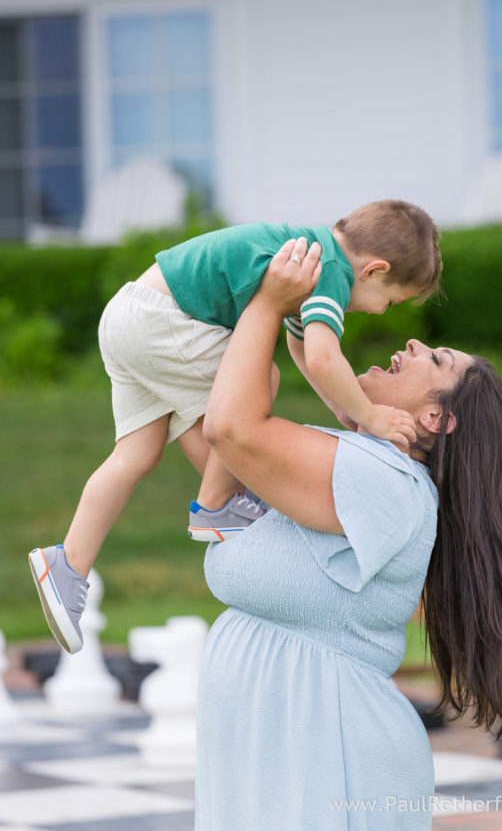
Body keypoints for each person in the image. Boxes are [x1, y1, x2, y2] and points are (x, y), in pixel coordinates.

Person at [195, 238, 502, 830]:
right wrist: (300, 318)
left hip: (330, 753)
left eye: (433, 359)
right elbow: (219, 490)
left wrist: (263, 305)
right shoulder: (365, 463)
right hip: (286, 742)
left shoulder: (384, 479)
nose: (412, 342)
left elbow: (230, 430)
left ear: (435, 420)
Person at [28, 199, 442, 655]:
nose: (382, 311)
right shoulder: (332, 272)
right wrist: (370, 414)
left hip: (131, 314)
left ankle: (67, 563)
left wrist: (342, 408)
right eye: (389, 300)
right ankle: (215, 505)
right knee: (259, 380)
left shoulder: (310, 252)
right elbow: (325, 356)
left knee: (135, 455)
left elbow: (301, 342)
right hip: (165, 320)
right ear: (374, 270)